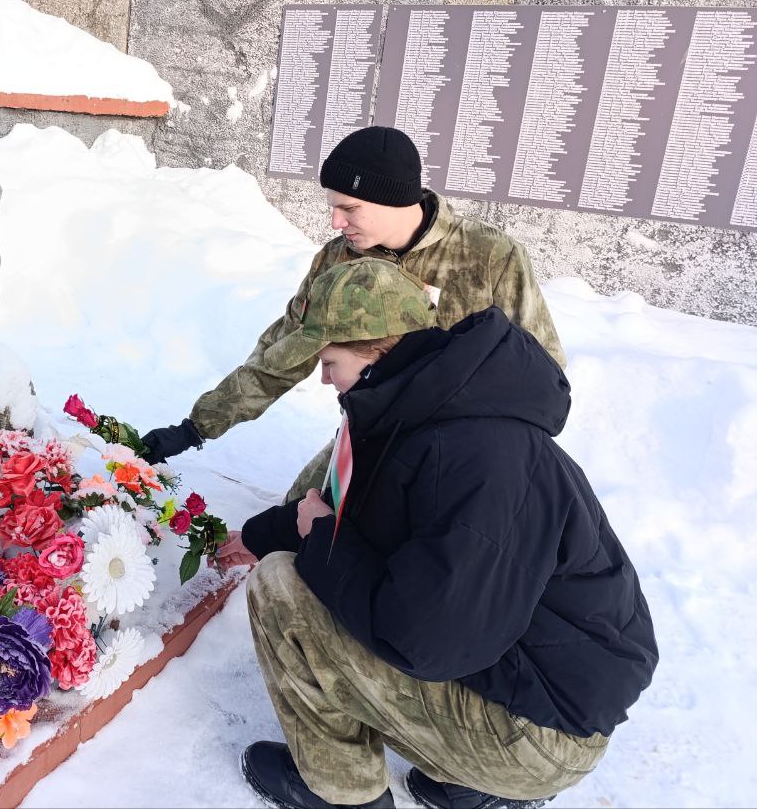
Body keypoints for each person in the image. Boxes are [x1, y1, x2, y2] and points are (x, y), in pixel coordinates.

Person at [223, 258, 657, 809]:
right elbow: (357, 510)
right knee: (308, 561)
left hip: (541, 735)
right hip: (537, 687)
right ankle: (470, 783)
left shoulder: (476, 459)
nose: (325, 378)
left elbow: (424, 642)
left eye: (330, 362)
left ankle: (346, 794)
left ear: (376, 349)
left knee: (281, 588)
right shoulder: (429, 409)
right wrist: (259, 534)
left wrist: (323, 543)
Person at [140, 125, 565, 507]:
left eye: (350, 208)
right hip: (369, 430)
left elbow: (541, 371)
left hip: (460, 449)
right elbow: (283, 352)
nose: (335, 221)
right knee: (295, 517)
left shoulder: (490, 257)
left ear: (394, 199)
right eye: (333, 207)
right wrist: (197, 427)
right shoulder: (337, 260)